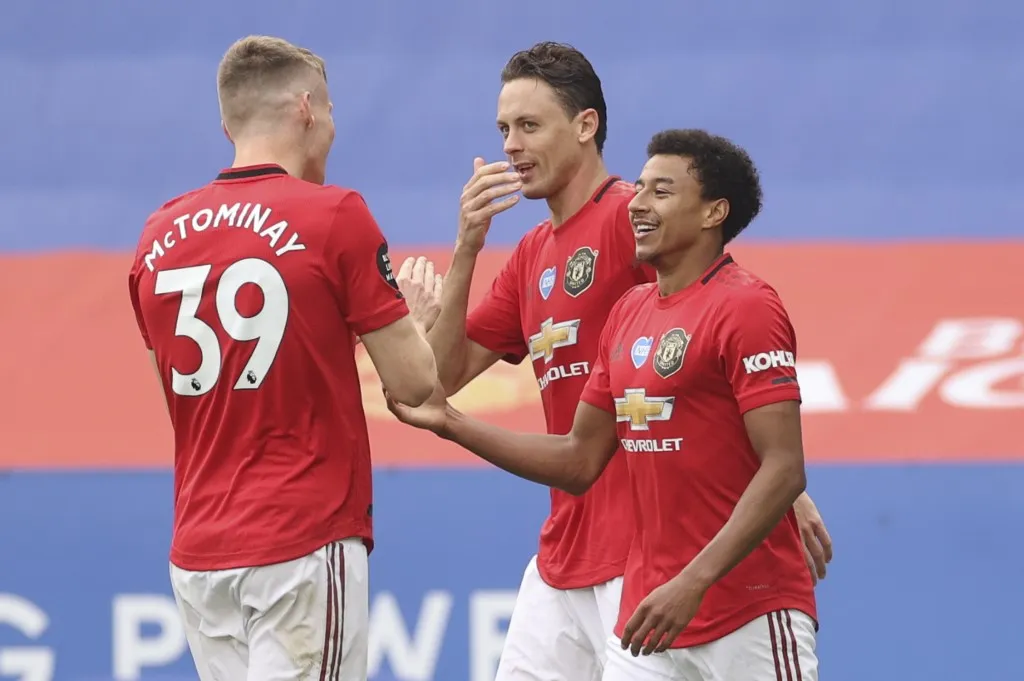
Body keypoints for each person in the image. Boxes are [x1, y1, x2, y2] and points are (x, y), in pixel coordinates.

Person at [396, 42, 830, 681]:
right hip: (566, 543)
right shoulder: (532, 254)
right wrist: (466, 247)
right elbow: (439, 382)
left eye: (529, 125)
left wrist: (784, 487)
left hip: (641, 551)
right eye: (504, 129)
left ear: (586, 125)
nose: (512, 146)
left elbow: (715, 331)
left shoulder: (634, 218)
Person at [126, 35, 437, 681]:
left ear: (228, 125)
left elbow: (193, 393)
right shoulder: (335, 214)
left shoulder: (157, 236)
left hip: (200, 551)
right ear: (305, 108)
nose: (332, 128)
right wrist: (413, 322)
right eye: (330, 110)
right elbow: (414, 385)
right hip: (301, 539)